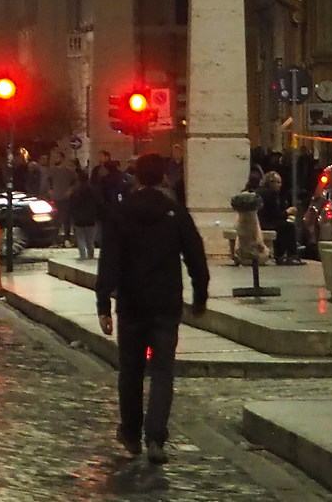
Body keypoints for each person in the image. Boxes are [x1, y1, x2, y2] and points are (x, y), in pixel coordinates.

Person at [95, 151, 209, 467]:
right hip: (165, 303)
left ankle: (130, 432)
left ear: (136, 177)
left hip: (131, 303)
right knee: (162, 371)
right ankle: (156, 435)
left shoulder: (120, 213)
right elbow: (196, 259)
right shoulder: (175, 212)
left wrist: (103, 303)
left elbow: (110, 261)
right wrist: (200, 297)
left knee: (130, 370)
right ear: (162, 178)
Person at [66, 167, 104, 260]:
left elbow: (72, 205)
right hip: (91, 218)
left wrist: (72, 216)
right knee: (90, 240)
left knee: (80, 239)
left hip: (78, 219)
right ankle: (90, 256)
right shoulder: (95, 190)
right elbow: (99, 203)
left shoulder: (75, 192)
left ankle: (82, 256)